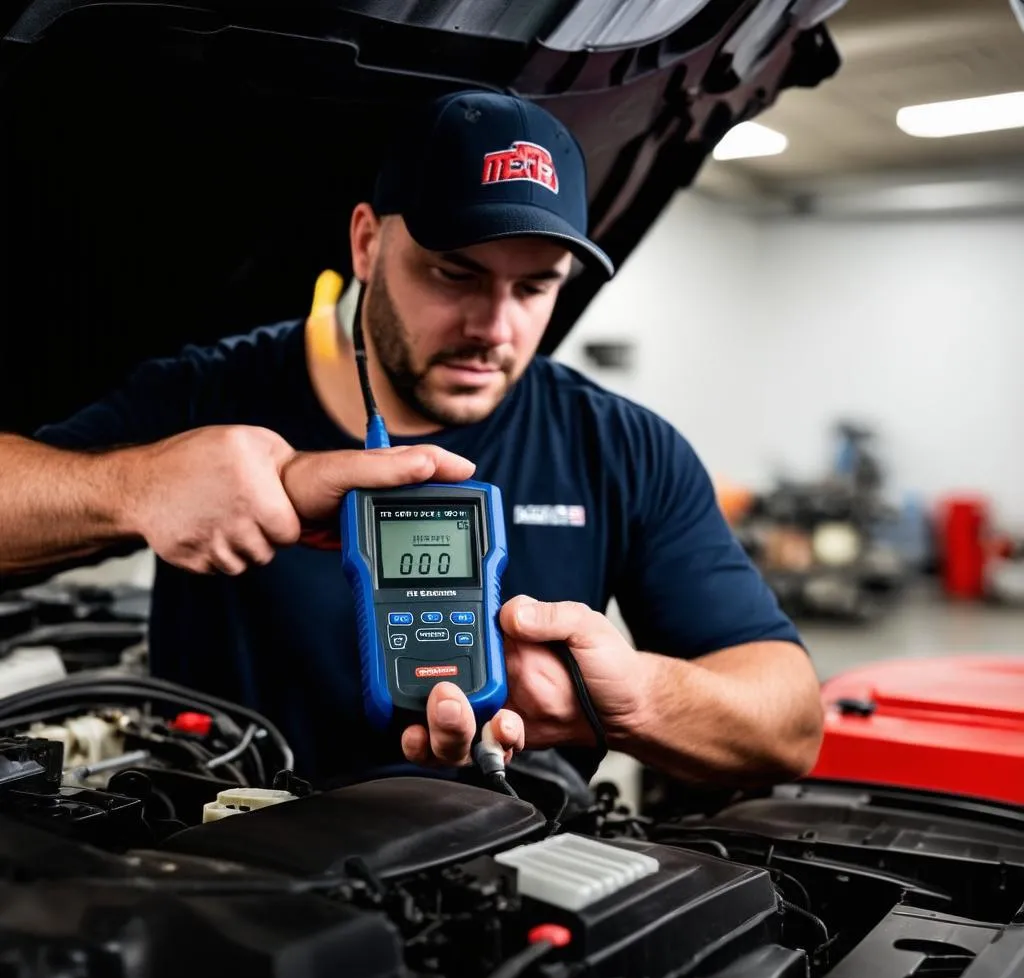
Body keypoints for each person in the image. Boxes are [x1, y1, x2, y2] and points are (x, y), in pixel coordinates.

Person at [0, 90, 822, 788]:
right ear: (367, 243)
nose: (494, 328)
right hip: (219, 869)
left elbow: (789, 723)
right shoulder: (208, 394)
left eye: (536, 286)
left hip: (508, 888)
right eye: (454, 274)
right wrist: (132, 489)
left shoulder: (623, 447)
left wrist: (629, 698)